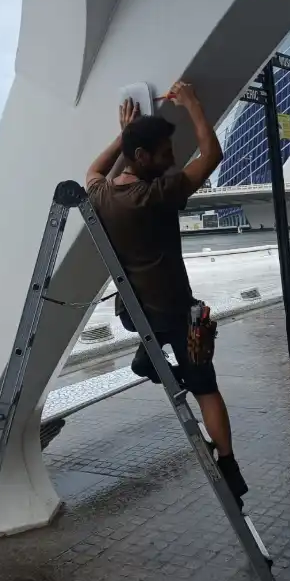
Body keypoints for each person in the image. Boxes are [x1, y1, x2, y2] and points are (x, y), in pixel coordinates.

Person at [86, 81, 248, 506]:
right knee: (206, 388)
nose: (172, 160)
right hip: (175, 312)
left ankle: (147, 359)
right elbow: (211, 156)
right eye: (164, 154)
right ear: (142, 157)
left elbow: (93, 171)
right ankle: (228, 464)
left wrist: (124, 135)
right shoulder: (155, 195)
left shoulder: (101, 195)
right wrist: (192, 104)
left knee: (159, 351)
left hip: (135, 313)